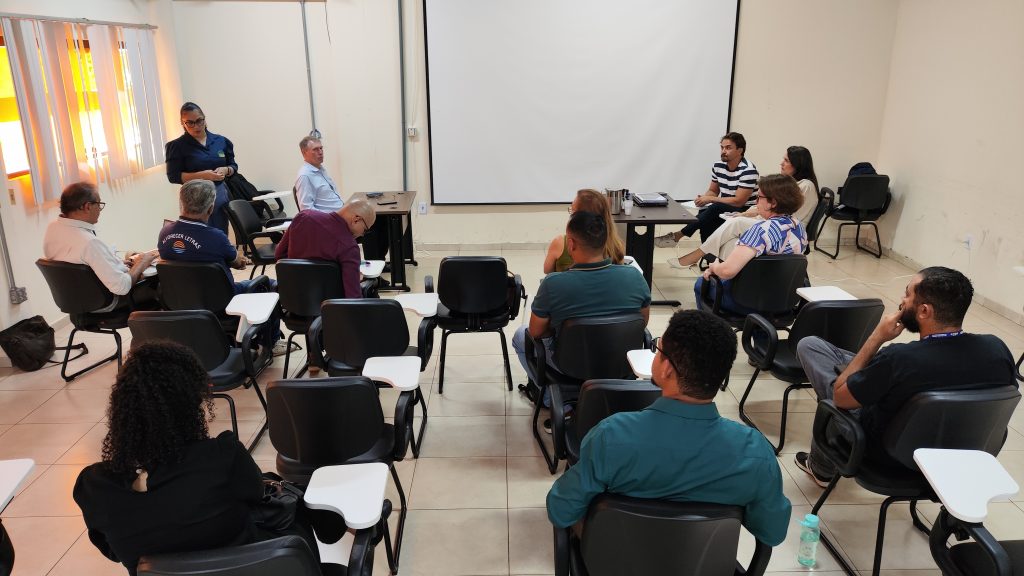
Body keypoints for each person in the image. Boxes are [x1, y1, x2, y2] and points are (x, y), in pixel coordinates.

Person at [73, 342, 321, 576]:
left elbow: (113, 551)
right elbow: (255, 494)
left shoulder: (94, 487)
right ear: (190, 404)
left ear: (121, 408)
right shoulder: (222, 457)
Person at [546, 309, 791, 546]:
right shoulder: (756, 453)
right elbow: (772, 533)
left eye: (658, 349)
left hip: (614, 560)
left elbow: (560, 510)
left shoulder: (611, 436)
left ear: (666, 369)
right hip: (705, 564)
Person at [793, 267, 1017, 486]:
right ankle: (821, 466)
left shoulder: (899, 358)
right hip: (960, 454)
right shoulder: (996, 349)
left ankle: (822, 469)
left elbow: (840, 398)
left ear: (924, 311)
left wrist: (876, 338)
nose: (902, 300)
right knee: (823, 353)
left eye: (907, 294)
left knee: (816, 358)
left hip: (887, 455)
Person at [513, 211, 651, 405]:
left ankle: (552, 401)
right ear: (605, 242)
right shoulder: (634, 276)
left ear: (570, 244)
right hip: (621, 360)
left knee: (521, 335)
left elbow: (536, 332)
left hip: (571, 365)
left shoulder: (553, 283)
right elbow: (642, 322)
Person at [158, 180, 285, 353]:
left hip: (182, 301)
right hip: (223, 302)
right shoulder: (216, 237)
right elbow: (238, 262)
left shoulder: (165, 233)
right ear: (210, 208)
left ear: (182, 203)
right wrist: (239, 259)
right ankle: (271, 344)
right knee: (268, 284)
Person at [669, 146, 818, 274]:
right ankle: (720, 269)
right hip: (773, 223)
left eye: (786, 160)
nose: (781, 163)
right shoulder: (790, 184)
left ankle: (700, 257)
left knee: (735, 222)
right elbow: (766, 205)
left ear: (798, 164)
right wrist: (745, 213)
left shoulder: (805, 186)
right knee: (729, 240)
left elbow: (786, 213)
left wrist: (749, 215)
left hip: (784, 230)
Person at [694, 174, 808, 314]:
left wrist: (714, 267)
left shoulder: (760, 231)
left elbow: (727, 271)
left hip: (748, 301)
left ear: (773, 203)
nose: (756, 201)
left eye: (759, 197)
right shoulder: (799, 228)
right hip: (785, 301)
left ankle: (711, 327)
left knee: (701, 284)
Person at [42, 181, 158, 311]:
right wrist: (141, 263)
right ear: (87, 206)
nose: (100, 209)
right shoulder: (88, 242)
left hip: (77, 300)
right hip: (107, 302)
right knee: (159, 281)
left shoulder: (53, 228)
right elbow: (122, 287)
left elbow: (78, 263)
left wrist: (114, 264)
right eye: (99, 204)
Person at [655, 132, 759, 246]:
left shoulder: (748, 170)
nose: (723, 151)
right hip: (725, 205)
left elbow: (739, 201)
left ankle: (678, 235)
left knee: (715, 207)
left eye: (728, 148)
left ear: (740, 150)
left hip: (745, 209)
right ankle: (706, 251)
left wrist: (710, 199)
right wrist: (704, 198)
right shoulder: (718, 166)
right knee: (704, 210)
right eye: (722, 147)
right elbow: (713, 191)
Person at [274, 199, 377, 298]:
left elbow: (279, 254)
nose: (362, 234)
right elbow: (353, 297)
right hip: (330, 305)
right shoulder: (349, 247)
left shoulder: (304, 216)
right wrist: (355, 279)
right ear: (356, 220)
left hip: (294, 298)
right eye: (365, 230)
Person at [165, 102, 237, 234]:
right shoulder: (176, 146)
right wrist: (203, 175)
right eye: (190, 123)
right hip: (193, 199)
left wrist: (226, 170)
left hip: (219, 196)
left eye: (199, 121)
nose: (196, 126)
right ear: (183, 123)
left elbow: (233, 166)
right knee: (198, 236)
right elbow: (173, 176)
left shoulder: (221, 141)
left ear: (204, 118)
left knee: (219, 234)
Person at [543, 189, 625, 273]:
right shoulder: (616, 245)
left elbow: (547, 270)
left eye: (573, 211)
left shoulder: (560, 243)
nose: (571, 214)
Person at [294, 135, 343, 212]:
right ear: (304, 152)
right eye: (315, 149)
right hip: (330, 218)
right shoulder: (305, 176)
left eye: (321, 148)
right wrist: (330, 217)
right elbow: (306, 210)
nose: (320, 152)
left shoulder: (321, 169)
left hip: (341, 212)